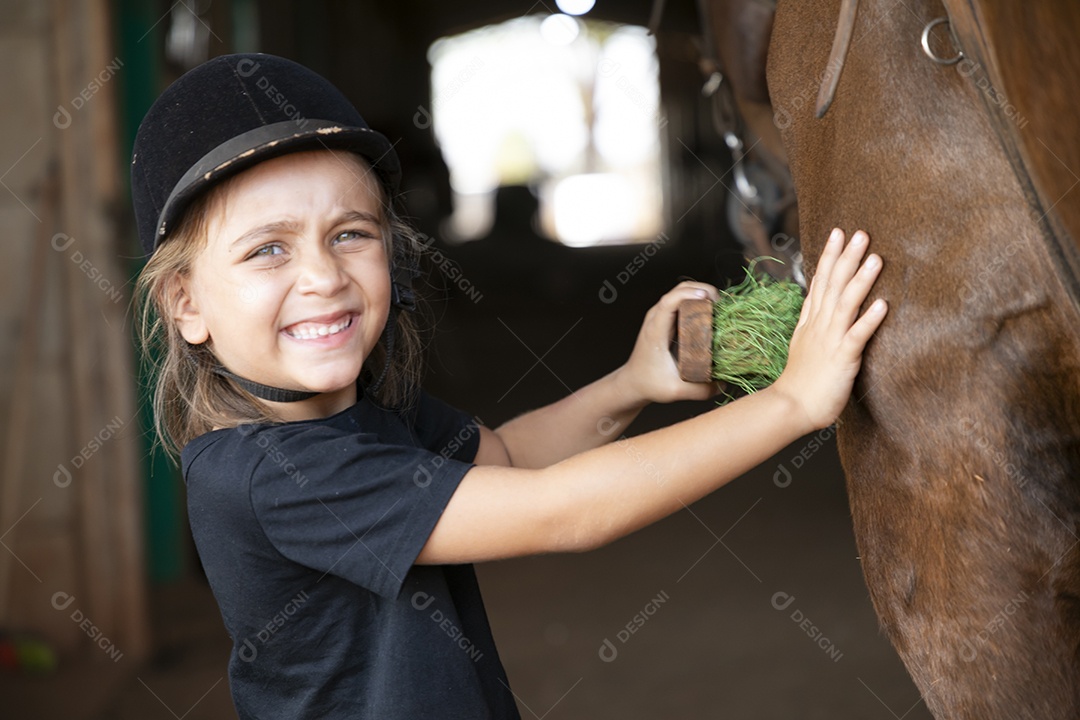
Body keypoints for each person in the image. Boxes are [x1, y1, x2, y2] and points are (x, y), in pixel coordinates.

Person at [131, 54, 887, 720]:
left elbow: (509, 459)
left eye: (350, 233)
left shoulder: (355, 413)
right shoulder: (278, 478)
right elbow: (564, 512)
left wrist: (631, 383)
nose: (324, 276)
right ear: (186, 305)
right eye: (268, 250)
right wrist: (790, 404)